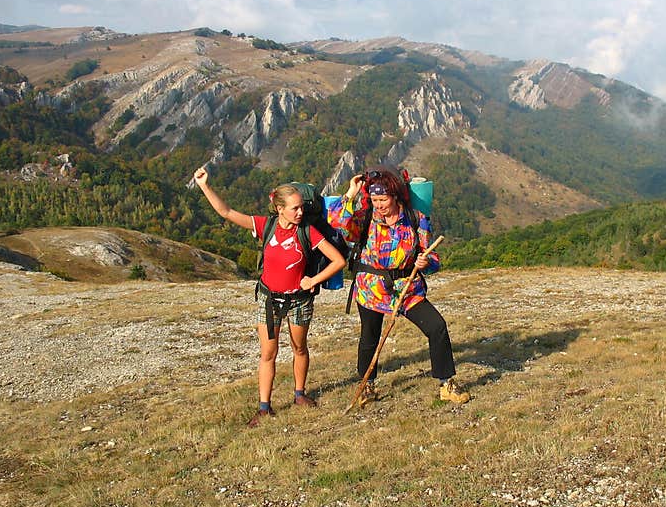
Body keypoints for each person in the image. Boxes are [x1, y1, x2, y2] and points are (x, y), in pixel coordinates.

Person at [192, 166, 346, 424]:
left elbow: (338, 260)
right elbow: (226, 212)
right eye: (295, 208)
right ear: (279, 208)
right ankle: (264, 407)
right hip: (269, 299)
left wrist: (313, 281)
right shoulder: (267, 226)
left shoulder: (308, 231)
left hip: (299, 299)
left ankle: (299, 394)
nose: (300, 213)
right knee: (268, 353)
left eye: (301, 208)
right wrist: (205, 186)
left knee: (299, 348)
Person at [327, 164, 470, 406]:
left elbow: (432, 257)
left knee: (437, 327)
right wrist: (351, 192)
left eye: (383, 199)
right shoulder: (364, 219)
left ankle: (446, 383)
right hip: (371, 288)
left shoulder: (416, 219)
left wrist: (426, 262)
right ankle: (367, 385)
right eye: (374, 199)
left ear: (395, 196)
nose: (379, 205)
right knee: (369, 337)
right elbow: (336, 221)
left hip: (407, 288)